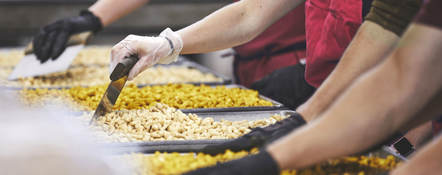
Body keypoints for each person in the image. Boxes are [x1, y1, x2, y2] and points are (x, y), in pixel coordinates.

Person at [109, 0, 422, 154]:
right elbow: (250, 13)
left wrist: (404, 149)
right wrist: (168, 44)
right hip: (324, 105)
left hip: (396, 118)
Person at [182, 0, 442, 174]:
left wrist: (406, 147)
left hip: (388, 118)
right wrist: (295, 131)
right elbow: (403, 71)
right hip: (353, 105)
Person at [32, 0, 307, 104]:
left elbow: (249, 16)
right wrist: (93, 18)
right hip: (251, 62)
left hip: (304, 68)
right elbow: (247, 16)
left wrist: (310, 67)